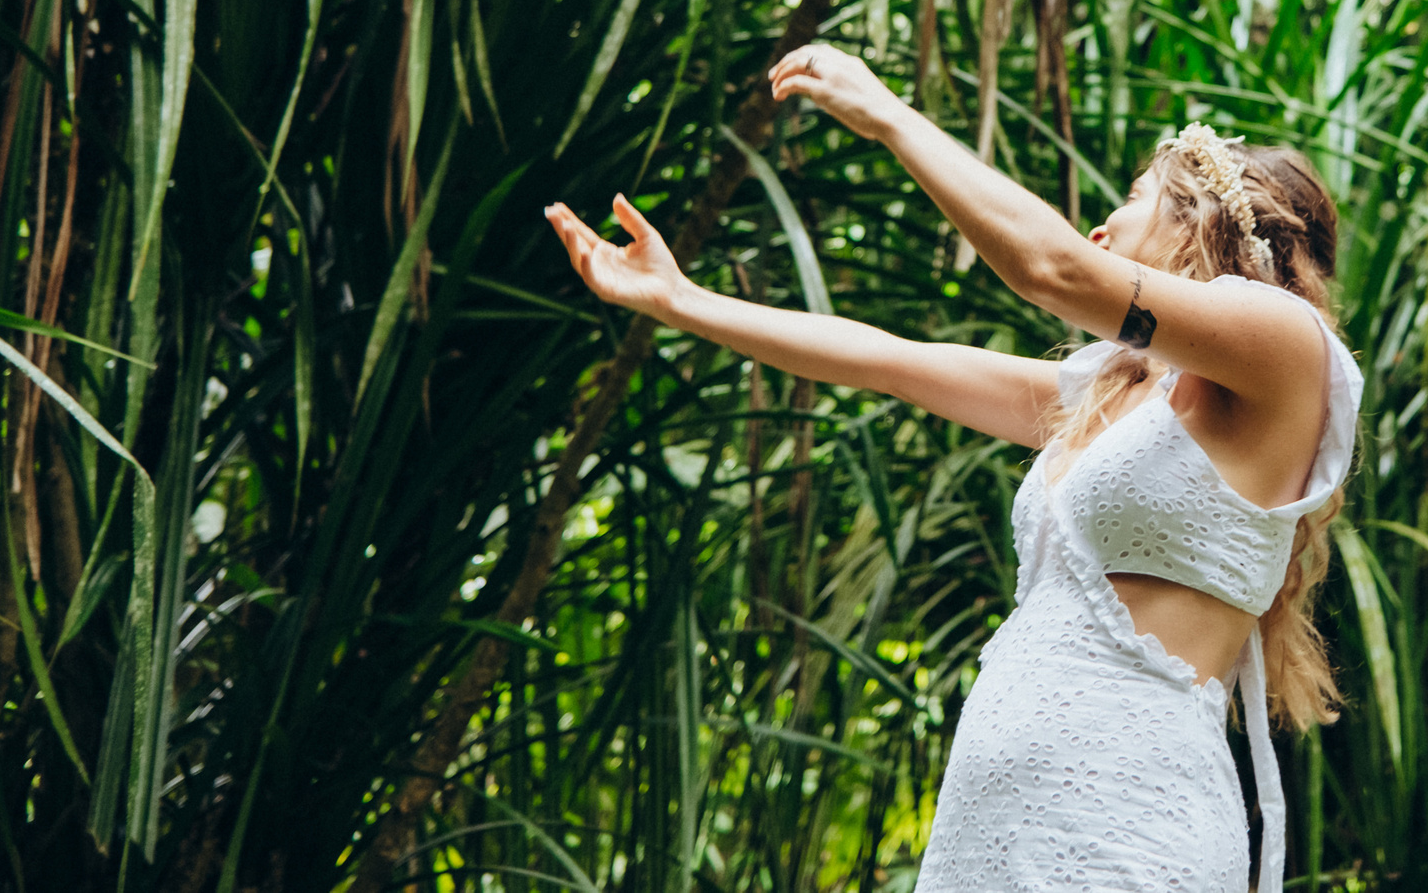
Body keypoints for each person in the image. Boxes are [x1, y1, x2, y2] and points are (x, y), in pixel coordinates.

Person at [544, 44, 1362, 893]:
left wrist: (887, 114)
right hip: (993, 831)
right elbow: (892, 360)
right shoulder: (1109, 392)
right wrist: (683, 299)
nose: (1103, 226)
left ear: (1201, 220)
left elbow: (1053, 267)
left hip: (1131, 822)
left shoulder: (1287, 352)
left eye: (1131, 200)